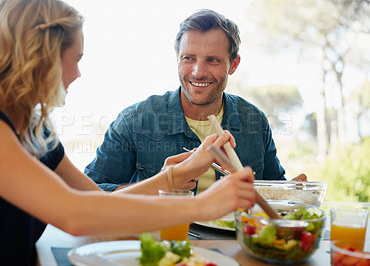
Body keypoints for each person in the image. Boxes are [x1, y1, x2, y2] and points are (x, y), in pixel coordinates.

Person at [0, 1, 256, 265]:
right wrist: (203, 206)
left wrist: (173, 176)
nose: (78, 73)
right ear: (40, 58)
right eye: (76, 58)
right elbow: (76, 214)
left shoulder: (35, 129)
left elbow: (99, 203)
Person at [85, 9, 306, 193]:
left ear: (234, 64)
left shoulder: (255, 121)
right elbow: (91, 192)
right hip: (163, 241)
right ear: (177, 59)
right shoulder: (135, 121)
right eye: (188, 58)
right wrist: (159, 186)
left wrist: (292, 193)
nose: (198, 72)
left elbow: (272, 193)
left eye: (212, 60)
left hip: (232, 244)